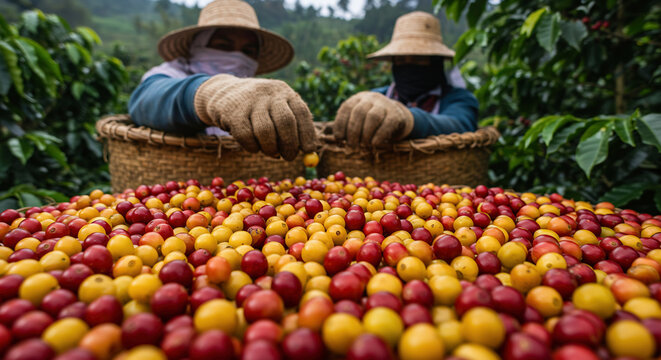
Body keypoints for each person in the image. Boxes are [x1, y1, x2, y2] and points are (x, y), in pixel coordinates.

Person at [129, 0, 317, 161]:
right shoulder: (169, 73)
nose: (236, 56)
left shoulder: (259, 93)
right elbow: (146, 100)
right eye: (223, 46)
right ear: (198, 46)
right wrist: (212, 93)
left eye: (248, 51)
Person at [334, 11, 479, 147]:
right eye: (401, 59)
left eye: (418, 58)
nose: (408, 65)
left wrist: (407, 118)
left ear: (436, 62)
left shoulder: (459, 99)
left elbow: (458, 125)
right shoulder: (377, 97)